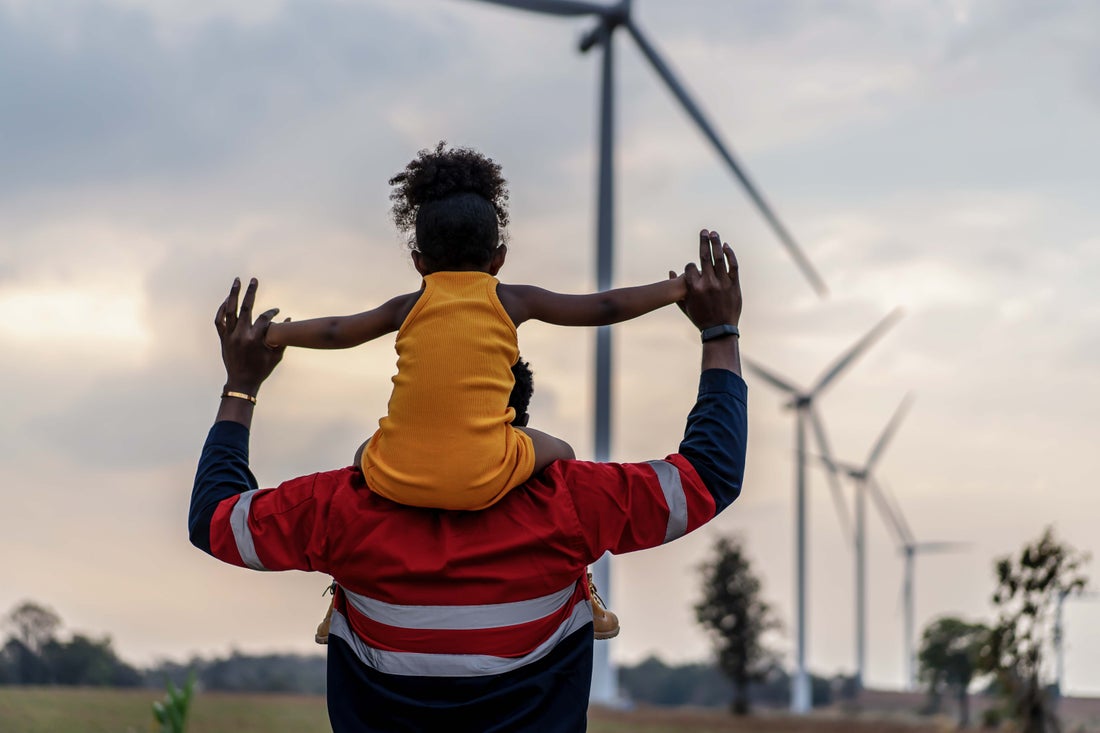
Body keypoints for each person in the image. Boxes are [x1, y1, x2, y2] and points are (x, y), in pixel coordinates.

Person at [190, 230, 747, 732]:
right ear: (515, 421)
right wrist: (719, 333)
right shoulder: (572, 502)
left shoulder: (340, 509)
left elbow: (216, 520)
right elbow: (709, 475)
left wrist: (241, 387)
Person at [263, 143, 687, 513]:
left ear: (419, 262)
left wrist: (275, 333)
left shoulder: (408, 306)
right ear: (498, 258)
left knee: (362, 454)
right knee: (563, 452)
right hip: (484, 475)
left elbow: (337, 330)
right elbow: (604, 305)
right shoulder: (511, 300)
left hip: (397, 477)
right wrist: (677, 288)